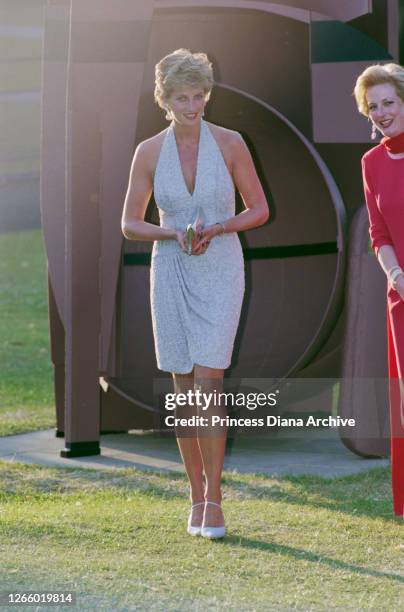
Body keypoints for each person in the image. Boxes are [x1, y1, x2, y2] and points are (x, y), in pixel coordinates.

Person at [121, 49, 269, 537]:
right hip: (170, 272)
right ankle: (194, 495)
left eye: (199, 95)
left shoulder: (230, 143)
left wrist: (219, 227)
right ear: (164, 99)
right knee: (183, 390)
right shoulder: (147, 152)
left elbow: (259, 210)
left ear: (208, 95)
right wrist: (174, 233)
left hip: (222, 268)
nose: (192, 105)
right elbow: (129, 223)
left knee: (209, 383)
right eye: (182, 97)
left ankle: (216, 499)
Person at [354, 62, 404, 518]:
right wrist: (395, 275)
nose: (382, 112)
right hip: (402, 297)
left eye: (389, 102)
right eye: (374, 107)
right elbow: (379, 234)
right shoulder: (370, 163)